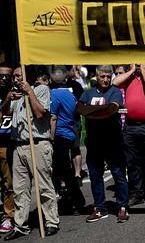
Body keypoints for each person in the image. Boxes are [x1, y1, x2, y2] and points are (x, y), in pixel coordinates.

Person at [2, 68, 59, 239]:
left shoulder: (41, 89)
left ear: (28, 77)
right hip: (19, 145)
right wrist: (7, 99)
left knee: (43, 186)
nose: (15, 79)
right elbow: (4, 113)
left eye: (18, 76)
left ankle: (51, 221)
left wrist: (29, 92)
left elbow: (41, 113)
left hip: (37, 143)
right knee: (20, 189)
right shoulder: (15, 94)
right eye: (14, 76)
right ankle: (21, 224)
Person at [76, 65, 129, 223]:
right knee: (95, 176)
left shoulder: (115, 92)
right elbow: (79, 109)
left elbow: (112, 110)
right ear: (96, 77)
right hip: (93, 142)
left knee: (118, 175)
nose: (105, 79)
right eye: (102, 76)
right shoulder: (88, 93)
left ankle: (122, 207)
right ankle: (100, 208)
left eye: (108, 76)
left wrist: (91, 110)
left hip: (113, 142)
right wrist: (102, 110)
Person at [113, 63, 145, 208]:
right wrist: (131, 70)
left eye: (141, 61)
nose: (137, 64)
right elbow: (115, 82)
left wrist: (143, 68)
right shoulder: (128, 78)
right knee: (132, 162)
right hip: (130, 125)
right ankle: (136, 193)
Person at [49, 71, 86, 215]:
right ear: (65, 79)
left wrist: (51, 138)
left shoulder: (54, 95)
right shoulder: (70, 94)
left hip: (60, 136)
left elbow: (53, 118)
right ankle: (71, 200)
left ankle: (75, 200)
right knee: (64, 171)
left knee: (62, 172)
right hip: (69, 133)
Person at [0, 64, 15, 234]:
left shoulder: (15, 93)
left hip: (7, 144)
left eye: (7, 76)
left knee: (9, 183)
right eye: (1, 75)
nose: (4, 79)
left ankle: (8, 216)